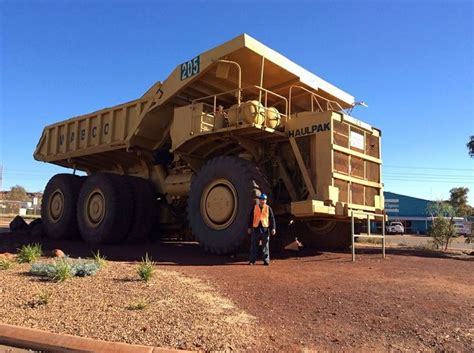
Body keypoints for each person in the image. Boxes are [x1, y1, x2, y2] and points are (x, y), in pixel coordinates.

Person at [247, 193, 276, 266]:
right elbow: (250, 218)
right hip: (256, 229)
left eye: (264, 200)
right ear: (259, 200)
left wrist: (273, 228)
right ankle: (252, 261)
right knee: (254, 245)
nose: (262, 201)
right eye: (261, 199)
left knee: (265, 245)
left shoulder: (268, 208)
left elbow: (272, 219)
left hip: (265, 229)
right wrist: (249, 227)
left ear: (266, 201)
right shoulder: (255, 207)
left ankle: (266, 260)